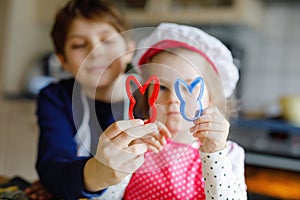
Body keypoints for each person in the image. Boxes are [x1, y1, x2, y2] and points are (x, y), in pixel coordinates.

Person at [27, 0, 170, 199]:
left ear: (129, 48)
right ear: (62, 60)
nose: (95, 52)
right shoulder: (56, 98)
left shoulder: (155, 95)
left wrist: (68, 183)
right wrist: (96, 174)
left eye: (107, 40)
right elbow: (53, 168)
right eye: (78, 45)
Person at [122, 23, 247, 199]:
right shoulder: (136, 145)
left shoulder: (227, 154)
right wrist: (122, 161)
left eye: (187, 88)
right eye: (162, 88)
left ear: (211, 96)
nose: (173, 98)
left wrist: (214, 152)